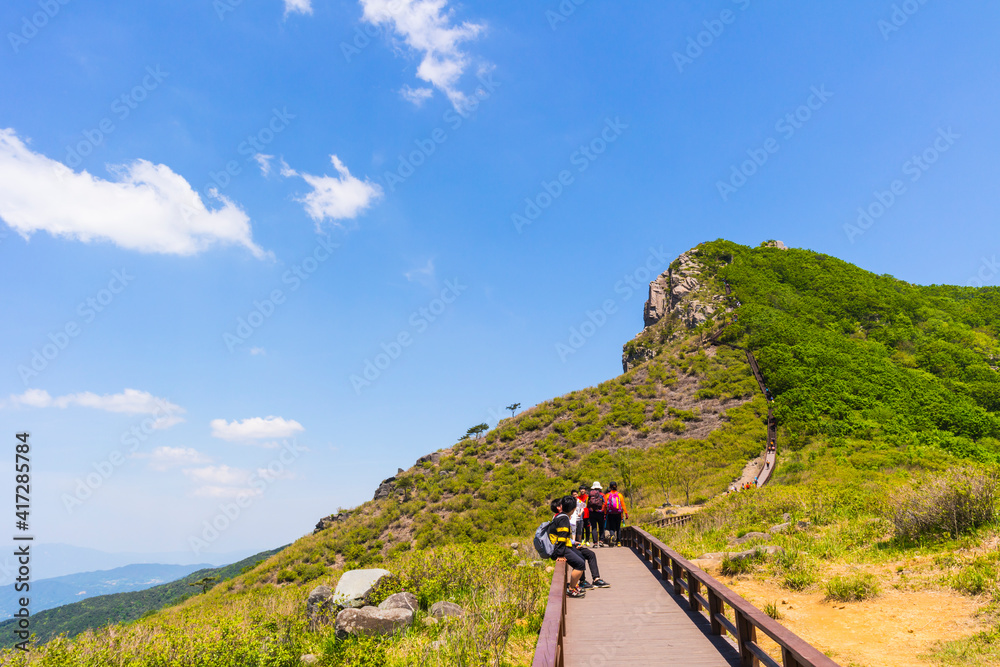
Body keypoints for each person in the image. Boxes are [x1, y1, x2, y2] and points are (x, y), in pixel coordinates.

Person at [559, 496, 610, 590]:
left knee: (591, 554)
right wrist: (562, 553)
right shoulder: (562, 519)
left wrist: (574, 542)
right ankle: (582, 582)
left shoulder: (564, 518)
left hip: (569, 545)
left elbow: (564, 537)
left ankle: (596, 579)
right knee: (580, 557)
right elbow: (561, 538)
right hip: (565, 548)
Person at [547, 498, 587, 598]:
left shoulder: (561, 516)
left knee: (581, 558)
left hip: (562, 547)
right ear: (573, 509)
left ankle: (574, 585)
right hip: (559, 548)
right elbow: (562, 537)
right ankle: (571, 589)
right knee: (580, 564)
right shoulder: (563, 519)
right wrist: (560, 554)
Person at [603, 482, 628, 547]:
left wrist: (605, 513)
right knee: (618, 527)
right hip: (618, 513)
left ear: (610, 487)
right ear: (616, 487)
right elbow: (623, 505)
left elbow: (605, 505)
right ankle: (619, 542)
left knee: (611, 527)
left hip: (610, 513)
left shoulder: (607, 495)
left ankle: (612, 535)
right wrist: (626, 513)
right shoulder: (619, 495)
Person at [586, 481, 606, 547]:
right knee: (601, 527)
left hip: (592, 513)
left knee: (594, 527)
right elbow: (605, 503)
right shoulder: (602, 494)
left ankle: (595, 543)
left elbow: (587, 504)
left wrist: (590, 509)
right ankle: (601, 541)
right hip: (600, 513)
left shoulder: (590, 494)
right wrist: (602, 510)